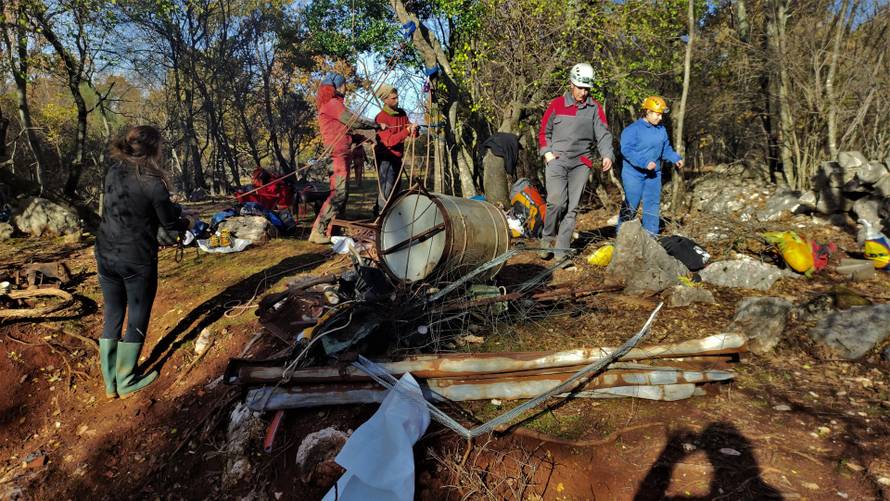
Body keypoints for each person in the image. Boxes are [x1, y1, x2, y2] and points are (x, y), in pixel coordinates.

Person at [95, 125, 190, 399]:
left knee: (113, 311)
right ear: (154, 148)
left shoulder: (113, 171)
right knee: (137, 313)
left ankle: (110, 383)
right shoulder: (153, 182)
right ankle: (125, 379)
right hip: (136, 259)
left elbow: (128, 210)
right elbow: (170, 226)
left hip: (104, 253)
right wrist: (185, 220)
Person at [538, 63, 614, 260]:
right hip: (557, 159)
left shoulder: (594, 108)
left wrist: (607, 154)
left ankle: (561, 253)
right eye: (580, 87)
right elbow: (544, 131)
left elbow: (603, 134)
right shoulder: (556, 104)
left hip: (581, 163)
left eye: (587, 88)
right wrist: (547, 153)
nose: (583, 92)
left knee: (571, 209)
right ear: (571, 83)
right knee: (556, 202)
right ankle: (546, 238)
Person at [310, 72, 384, 244]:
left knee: (343, 193)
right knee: (339, 193)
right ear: (334, 87)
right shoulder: (332, 104)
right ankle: (318, 231)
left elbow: (346, 131)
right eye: (343, 84)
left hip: (341, 155)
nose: (346, 88)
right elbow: (353, 121)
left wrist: (361, 138)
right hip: (337, 156)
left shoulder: (333, 105)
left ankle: (331, 229)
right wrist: (376, 125)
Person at [616, 95, 683, 235]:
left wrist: (675, 158)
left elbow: (665, 149)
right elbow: (626, 150)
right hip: (633, 174)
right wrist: (644, 163)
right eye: (657, 114)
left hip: (654, 174)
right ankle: (622, 236)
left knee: (652, 205)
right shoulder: (632, 130)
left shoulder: (661, 130)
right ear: (647, 112)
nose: (660, 118)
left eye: (661, 115)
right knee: (631, 204)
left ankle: (651, 238)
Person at [373, 83, 418, 217]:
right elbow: (389, 141)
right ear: (385, 100)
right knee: (386, 191)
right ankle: (380, 218)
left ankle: (386, 217)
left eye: (397, 97)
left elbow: (410, 131)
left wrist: (414, 129)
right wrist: (406, 131)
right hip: (385, 158)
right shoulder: (381, 117)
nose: (397, 100)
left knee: (395, 189)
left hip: (397, 157)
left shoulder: (402, 113)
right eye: (393, 98)